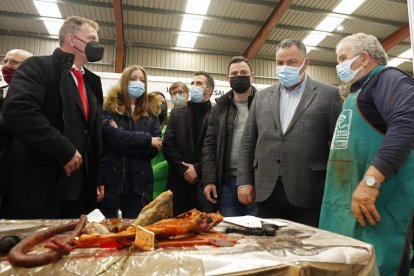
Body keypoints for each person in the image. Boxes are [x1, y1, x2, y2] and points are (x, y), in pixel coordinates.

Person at [319, 33, 414, 276]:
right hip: (345, 204)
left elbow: (407, 124)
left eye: (343, 58)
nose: (338, 65)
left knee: (377, 267)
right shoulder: (356, 92)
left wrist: (371, 182)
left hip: (378, 204)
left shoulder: (388, 79)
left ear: (364, 58)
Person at [2, 16, 105, 219]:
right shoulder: (37, 67)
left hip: (79, 191)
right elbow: (18, 110)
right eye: (91, 38)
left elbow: (93, 134)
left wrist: (95, 177)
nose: (96, 44)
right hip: (41, 185)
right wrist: (62, 149)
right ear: (72, 39)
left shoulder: (92, 82)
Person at [237, 39, 342, 227]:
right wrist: (244, 181)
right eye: (280, 63)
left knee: (307, 249)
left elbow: (339, 145)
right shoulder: (261, 97)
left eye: (291, 62)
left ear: (306, 63)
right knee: (269, 248)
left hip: (309, 191)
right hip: (267, 190)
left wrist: (338, 186)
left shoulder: (329, 95)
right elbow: (247, 142)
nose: (285, 67)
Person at [98, 66, 162, 218]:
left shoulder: (152, 115)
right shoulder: (108, 109)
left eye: (142, 80)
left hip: (139, 186)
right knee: (107, 231)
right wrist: (147, 139)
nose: (138, 83)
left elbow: (153, 149)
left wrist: (122, 137)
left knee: (135, 231)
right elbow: (113, 138)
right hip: (111, 182)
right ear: (124, 81)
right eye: (133, 79)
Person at [202, 56, 257, 216]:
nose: (239, 76)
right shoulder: (219, 108)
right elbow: (209, 146)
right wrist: (209, 180)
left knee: (257, 233)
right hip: (226, 182)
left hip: (255, 181)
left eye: (243, 72)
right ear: (228, 78)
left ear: (252, 75)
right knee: (230, 234)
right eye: (234, 73)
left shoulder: (263, 103)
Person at [163, 71, 214, 216]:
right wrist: (184, 170)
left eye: (199, 83)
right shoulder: (177, 113)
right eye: (192, 83)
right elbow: (168, 144)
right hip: (179, 183)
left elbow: (217, 148)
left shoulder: (217, 114)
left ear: (209, 90)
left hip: (205, 183)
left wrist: (198, 169)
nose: (194, 86)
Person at [0, 49, 33, 208]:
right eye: (5, 61)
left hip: (20, 176)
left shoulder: (36, 96)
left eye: (14, 62)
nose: (7, 66)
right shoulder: (3, 93)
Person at [148, 91, 169, 198]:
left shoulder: (170, 125)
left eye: (164, 103)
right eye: (158, 102)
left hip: (161, 180)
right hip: (144, 182)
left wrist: (151, 172)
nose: (162, 105)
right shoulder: (144, 123)